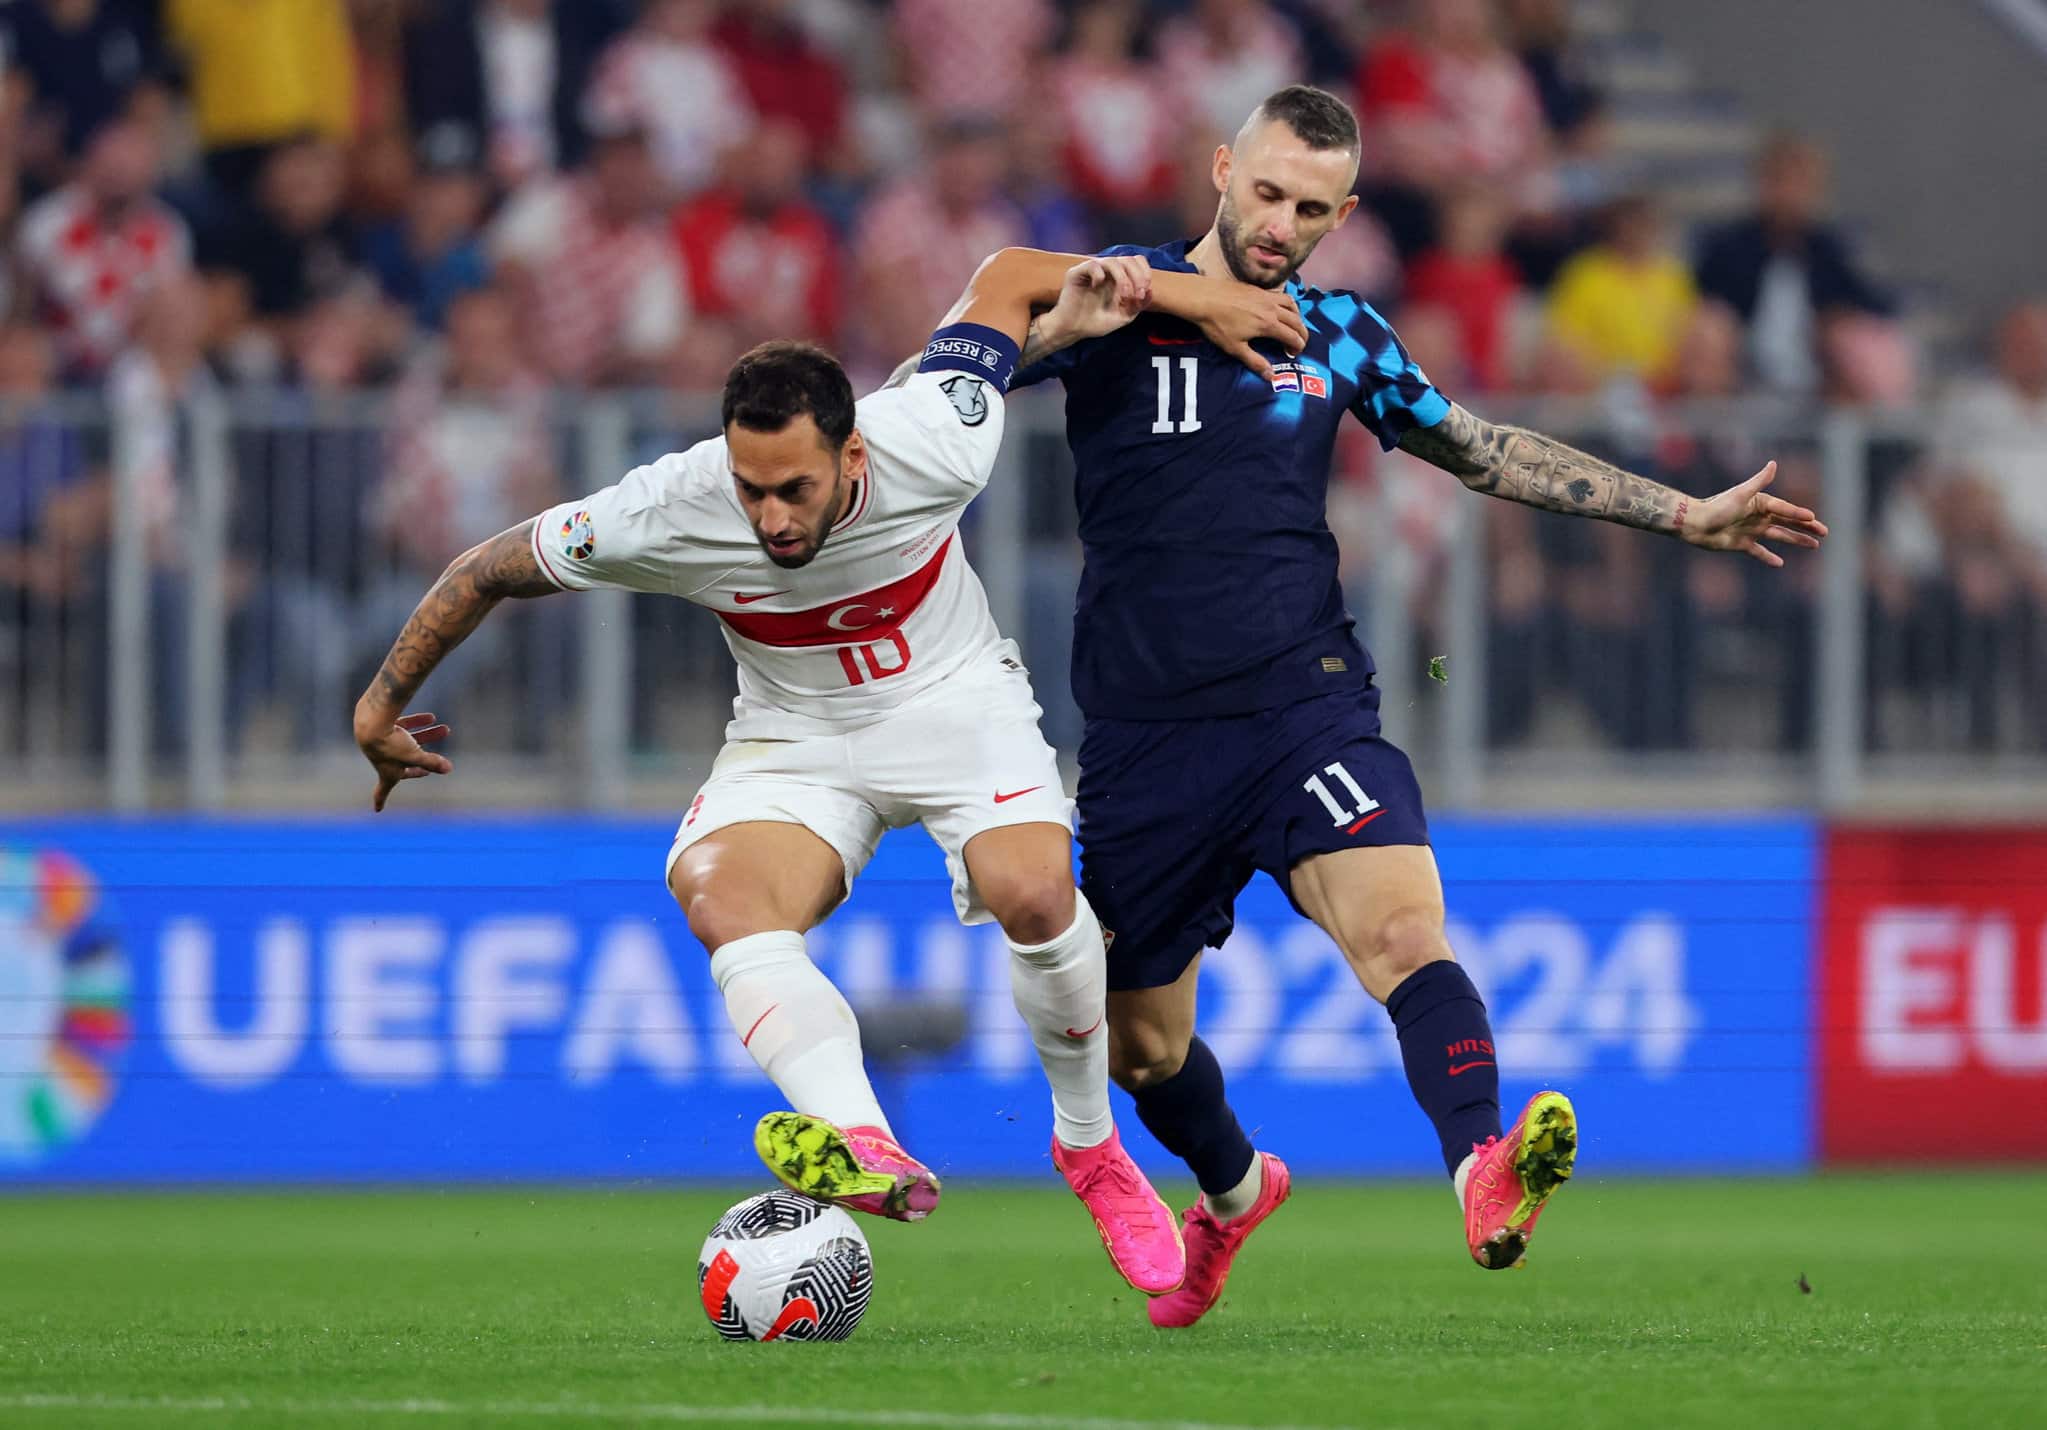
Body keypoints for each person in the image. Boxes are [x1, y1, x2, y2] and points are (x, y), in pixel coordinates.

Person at [1012, 85, 1827, 1327]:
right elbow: (957, 365)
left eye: (1310, 209)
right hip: (1144, 736)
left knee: (1403, 933)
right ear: (1222, 170)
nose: (1280, 225)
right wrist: (1071, 324)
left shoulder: (1340, 334)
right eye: (1266, 192)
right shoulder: (1119, 296)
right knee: (1142, 1050)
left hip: (1306, 706)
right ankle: (1234, 1189)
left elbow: (1481, 448)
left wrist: (1681, 512)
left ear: (1342, 217)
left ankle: (1481, 1165)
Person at [351, 246, 1309, 1296]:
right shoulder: (669, 505)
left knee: (1037, 895)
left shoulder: (936, 432)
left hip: (956, 704)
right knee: (719, 895)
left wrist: (1192, 293)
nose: (770, 517)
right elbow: (485, 568)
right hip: (796, 733)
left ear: (852, 454)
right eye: (751, 489)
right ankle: (860, 1137)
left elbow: (1003, 275)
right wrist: (379, 704)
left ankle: (1088, 1147)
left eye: (794, 489)